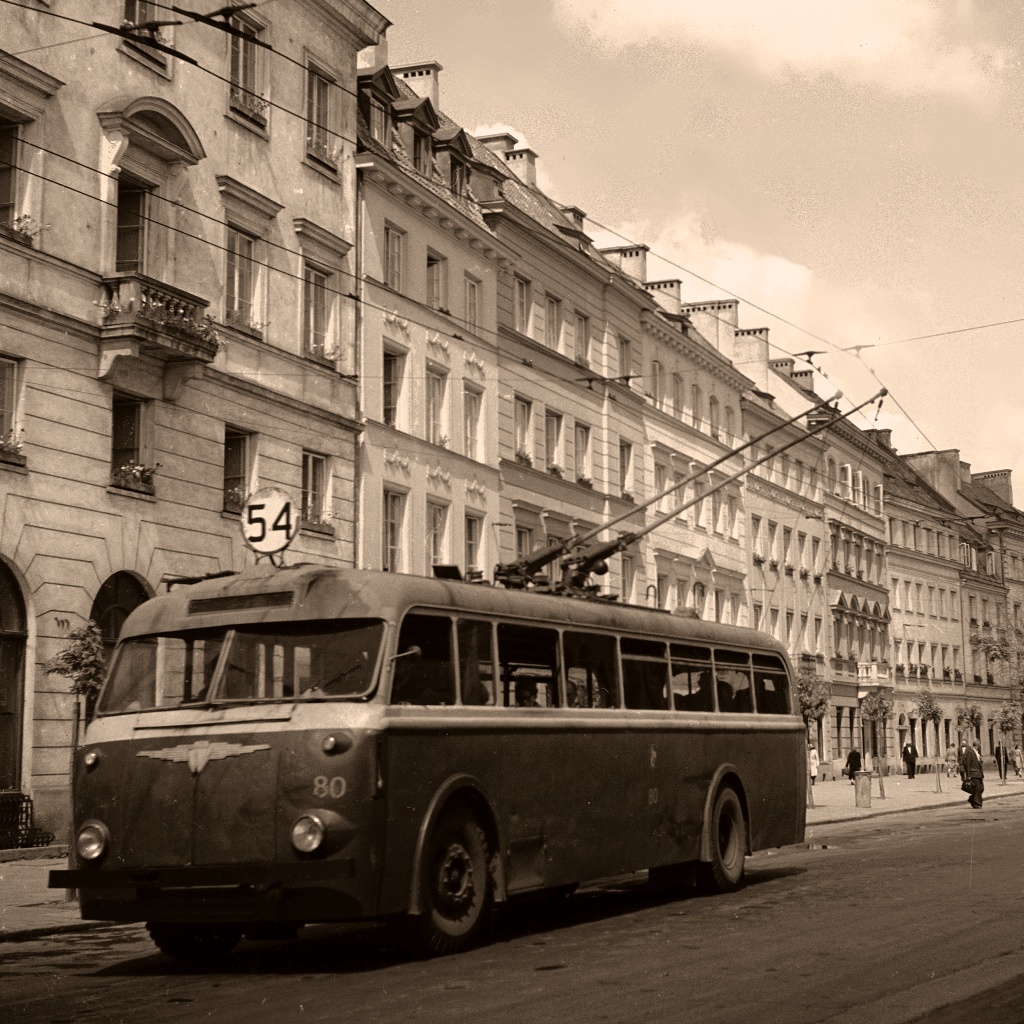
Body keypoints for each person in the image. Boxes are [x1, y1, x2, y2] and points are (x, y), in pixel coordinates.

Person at [963, 741, 984, 809]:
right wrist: (968, 775)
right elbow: (967, 764)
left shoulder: (977, 753)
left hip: (979, 773)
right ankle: (976, 803)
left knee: (981, 788)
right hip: (973, 773)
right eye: (979, 745)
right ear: (976, 745)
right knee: (977, 788)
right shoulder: (970, 752)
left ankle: (972, 799)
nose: (980, 746)